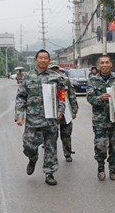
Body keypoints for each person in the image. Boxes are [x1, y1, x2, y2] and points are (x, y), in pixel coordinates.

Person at [15, 49, 65, 186]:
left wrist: (61, 110)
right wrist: (20, 115)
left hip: (51, 118)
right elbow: (21, 96)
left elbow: (61, 95)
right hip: (33, 118)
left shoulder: (56, 77)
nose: (43, 60)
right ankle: (33, 158)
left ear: (49, 60)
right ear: (36, 60)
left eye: (46, 58)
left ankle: (49, 173)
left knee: (51, 146)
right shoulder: (28, 77)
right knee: (28, 145)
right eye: (41, 58)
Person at [86, 54, 115, 181]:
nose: (105, 65)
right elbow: (90, 98)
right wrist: (100, 98)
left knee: (114, 146)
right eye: (102, 63)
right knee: (100, 145)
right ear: (99, 65)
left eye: (107, 63)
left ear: (111, 64)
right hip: (99, 120)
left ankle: (112, 169)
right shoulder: (92, 80)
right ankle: (100, 168)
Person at [49, 64, 79, 162]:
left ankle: (67, 153)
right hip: (51, 112)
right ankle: (51, 155)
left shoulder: (66, 81)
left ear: (59, 70)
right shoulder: (45, 81)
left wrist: (74, 110)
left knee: (66, 134)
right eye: (52, 69)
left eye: (56, 69)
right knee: (51, 135)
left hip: (65, 111)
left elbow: (72, 96)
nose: (54, 71)